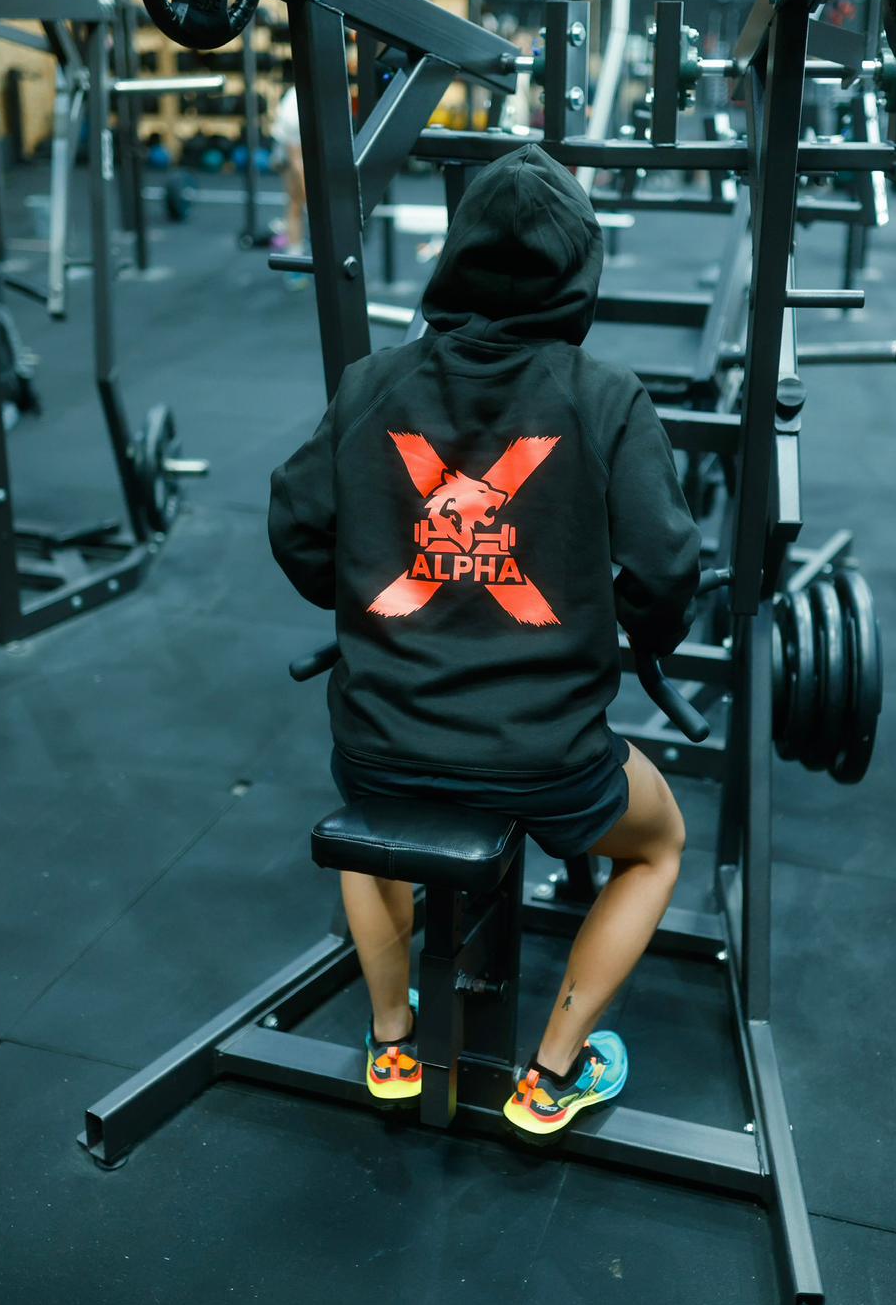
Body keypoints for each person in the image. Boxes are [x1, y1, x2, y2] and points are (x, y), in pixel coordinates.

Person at [269, 144, 700, 1138]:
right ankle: (550, 1076)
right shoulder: (607, 396)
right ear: (579, 271)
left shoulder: (371, 382)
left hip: (382, 736)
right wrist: (642, 635)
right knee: (659, 846)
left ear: (455, 256)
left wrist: (371, 604)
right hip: (545, 757)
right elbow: (666, 570)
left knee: (370, 810)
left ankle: (392, 1044)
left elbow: (296, 528)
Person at [270, 83, 306, 257]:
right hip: (290, 147)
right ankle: (294, 251)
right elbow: (295, 159)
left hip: (307, 147)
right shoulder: (294, 106)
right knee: (295, 201)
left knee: (300, 202)